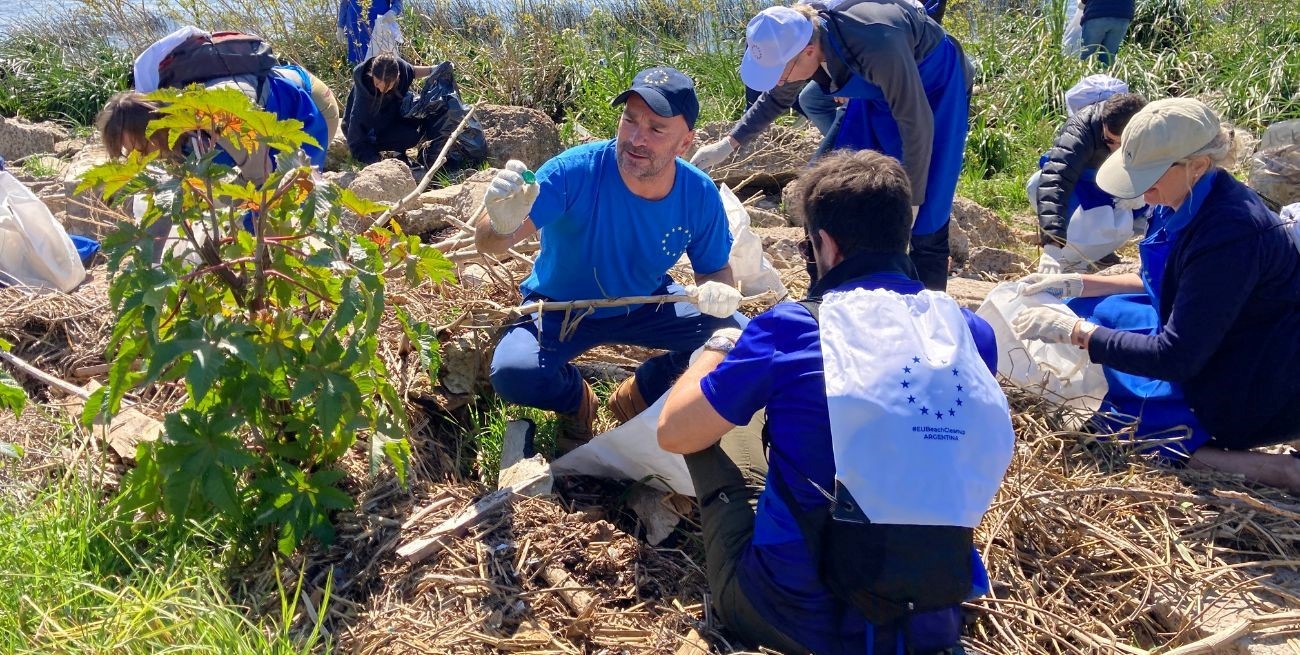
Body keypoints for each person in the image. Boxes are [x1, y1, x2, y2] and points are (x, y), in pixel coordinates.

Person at [657, 149, 1012, 654]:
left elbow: (674, 431)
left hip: (798, 621)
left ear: (823, 244)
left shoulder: (793, 328)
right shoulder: (970, 333)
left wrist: (716, 347)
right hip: (929, 623)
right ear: (901, 234)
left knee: (708, 425)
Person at [1012, 98, 1300, 493]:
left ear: (1197, 165)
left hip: (1247, 376)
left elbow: (1176, 356)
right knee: (1097, 308)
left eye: (1150, 176)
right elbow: (1163, 280)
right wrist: (1079, 283)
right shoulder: (1182, 197)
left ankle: (1275, 471)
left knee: (1108, 411)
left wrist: (1078, 333)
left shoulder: (1230, 234)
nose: (1142, 190)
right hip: (1214, 336)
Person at [474, 67, 743, 450]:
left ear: (685, 143)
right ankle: (579, 403)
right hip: (560, 306)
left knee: (739, 342)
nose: (636, 138)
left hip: (648, 303)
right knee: (516, 372)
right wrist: (499, 221)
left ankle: (641, 392)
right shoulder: (573, 172)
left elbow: (714, 269)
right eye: (629, 120)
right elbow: (488, 242)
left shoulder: (698, 194)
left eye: (656, 129)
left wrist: (718, 291)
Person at [691, 1, 973, 291]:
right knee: (822, 194)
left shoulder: (876, 41)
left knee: (929, 213)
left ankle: (928, 312)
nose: (779, 81)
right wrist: (727, 144)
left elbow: (917, 124)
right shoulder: (799, 38)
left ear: (809, 52)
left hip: (935, 89)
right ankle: (823, 297)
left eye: (781, 73)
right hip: (875, 90)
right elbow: (777, 97)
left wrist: (911, 201)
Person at [96, 83, 327, 186]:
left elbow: (260, 184)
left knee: (295, 187)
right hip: (265, 112)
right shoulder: (177, 138)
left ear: (155, 128)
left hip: (310, 103)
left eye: (140, 147)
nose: (139, 156)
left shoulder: (213, 118)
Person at [1033, 91, 1148, 272]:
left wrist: (1143, 188)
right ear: (1102, 123)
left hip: (1130, 194)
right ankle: (1076, 254)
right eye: (1108, 140)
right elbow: (1056, 180)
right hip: (1088, 183)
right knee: (1035, 183)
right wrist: (1052, 245)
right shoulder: (1081, 129)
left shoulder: (1153, 130)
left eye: (1124, 144)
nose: (1114, 149)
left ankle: (1104, 250)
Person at [337, 0, 402, 65]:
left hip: (379, 27)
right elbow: (344, 2)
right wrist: (340, 26)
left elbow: (397, 2)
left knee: (382, 64)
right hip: (355, 28)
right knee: (358, 64)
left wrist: (393, 11)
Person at [1078, 0, 1134, 67]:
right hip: (1123, 15)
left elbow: (1082, 4)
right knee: (1108, 58)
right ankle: (1105, 74)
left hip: (1097, 13)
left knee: (1087, 56)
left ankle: (1085, 75)